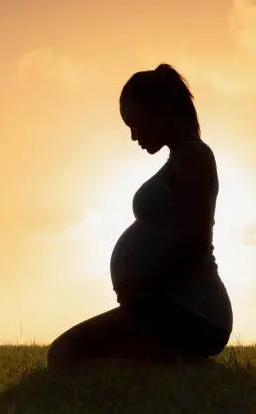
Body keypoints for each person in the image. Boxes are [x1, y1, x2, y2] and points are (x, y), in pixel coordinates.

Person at [47, 63, 234, 370]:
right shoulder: (182, 158)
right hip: (171, 306)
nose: (134, 136)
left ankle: (179, 363)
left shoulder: (194, 157)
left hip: (193, 312)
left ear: (159, 109)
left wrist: (145, 288)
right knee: (66, 354)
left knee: (65, 355)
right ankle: (176, 362)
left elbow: (195, 242)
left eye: (135, 123)